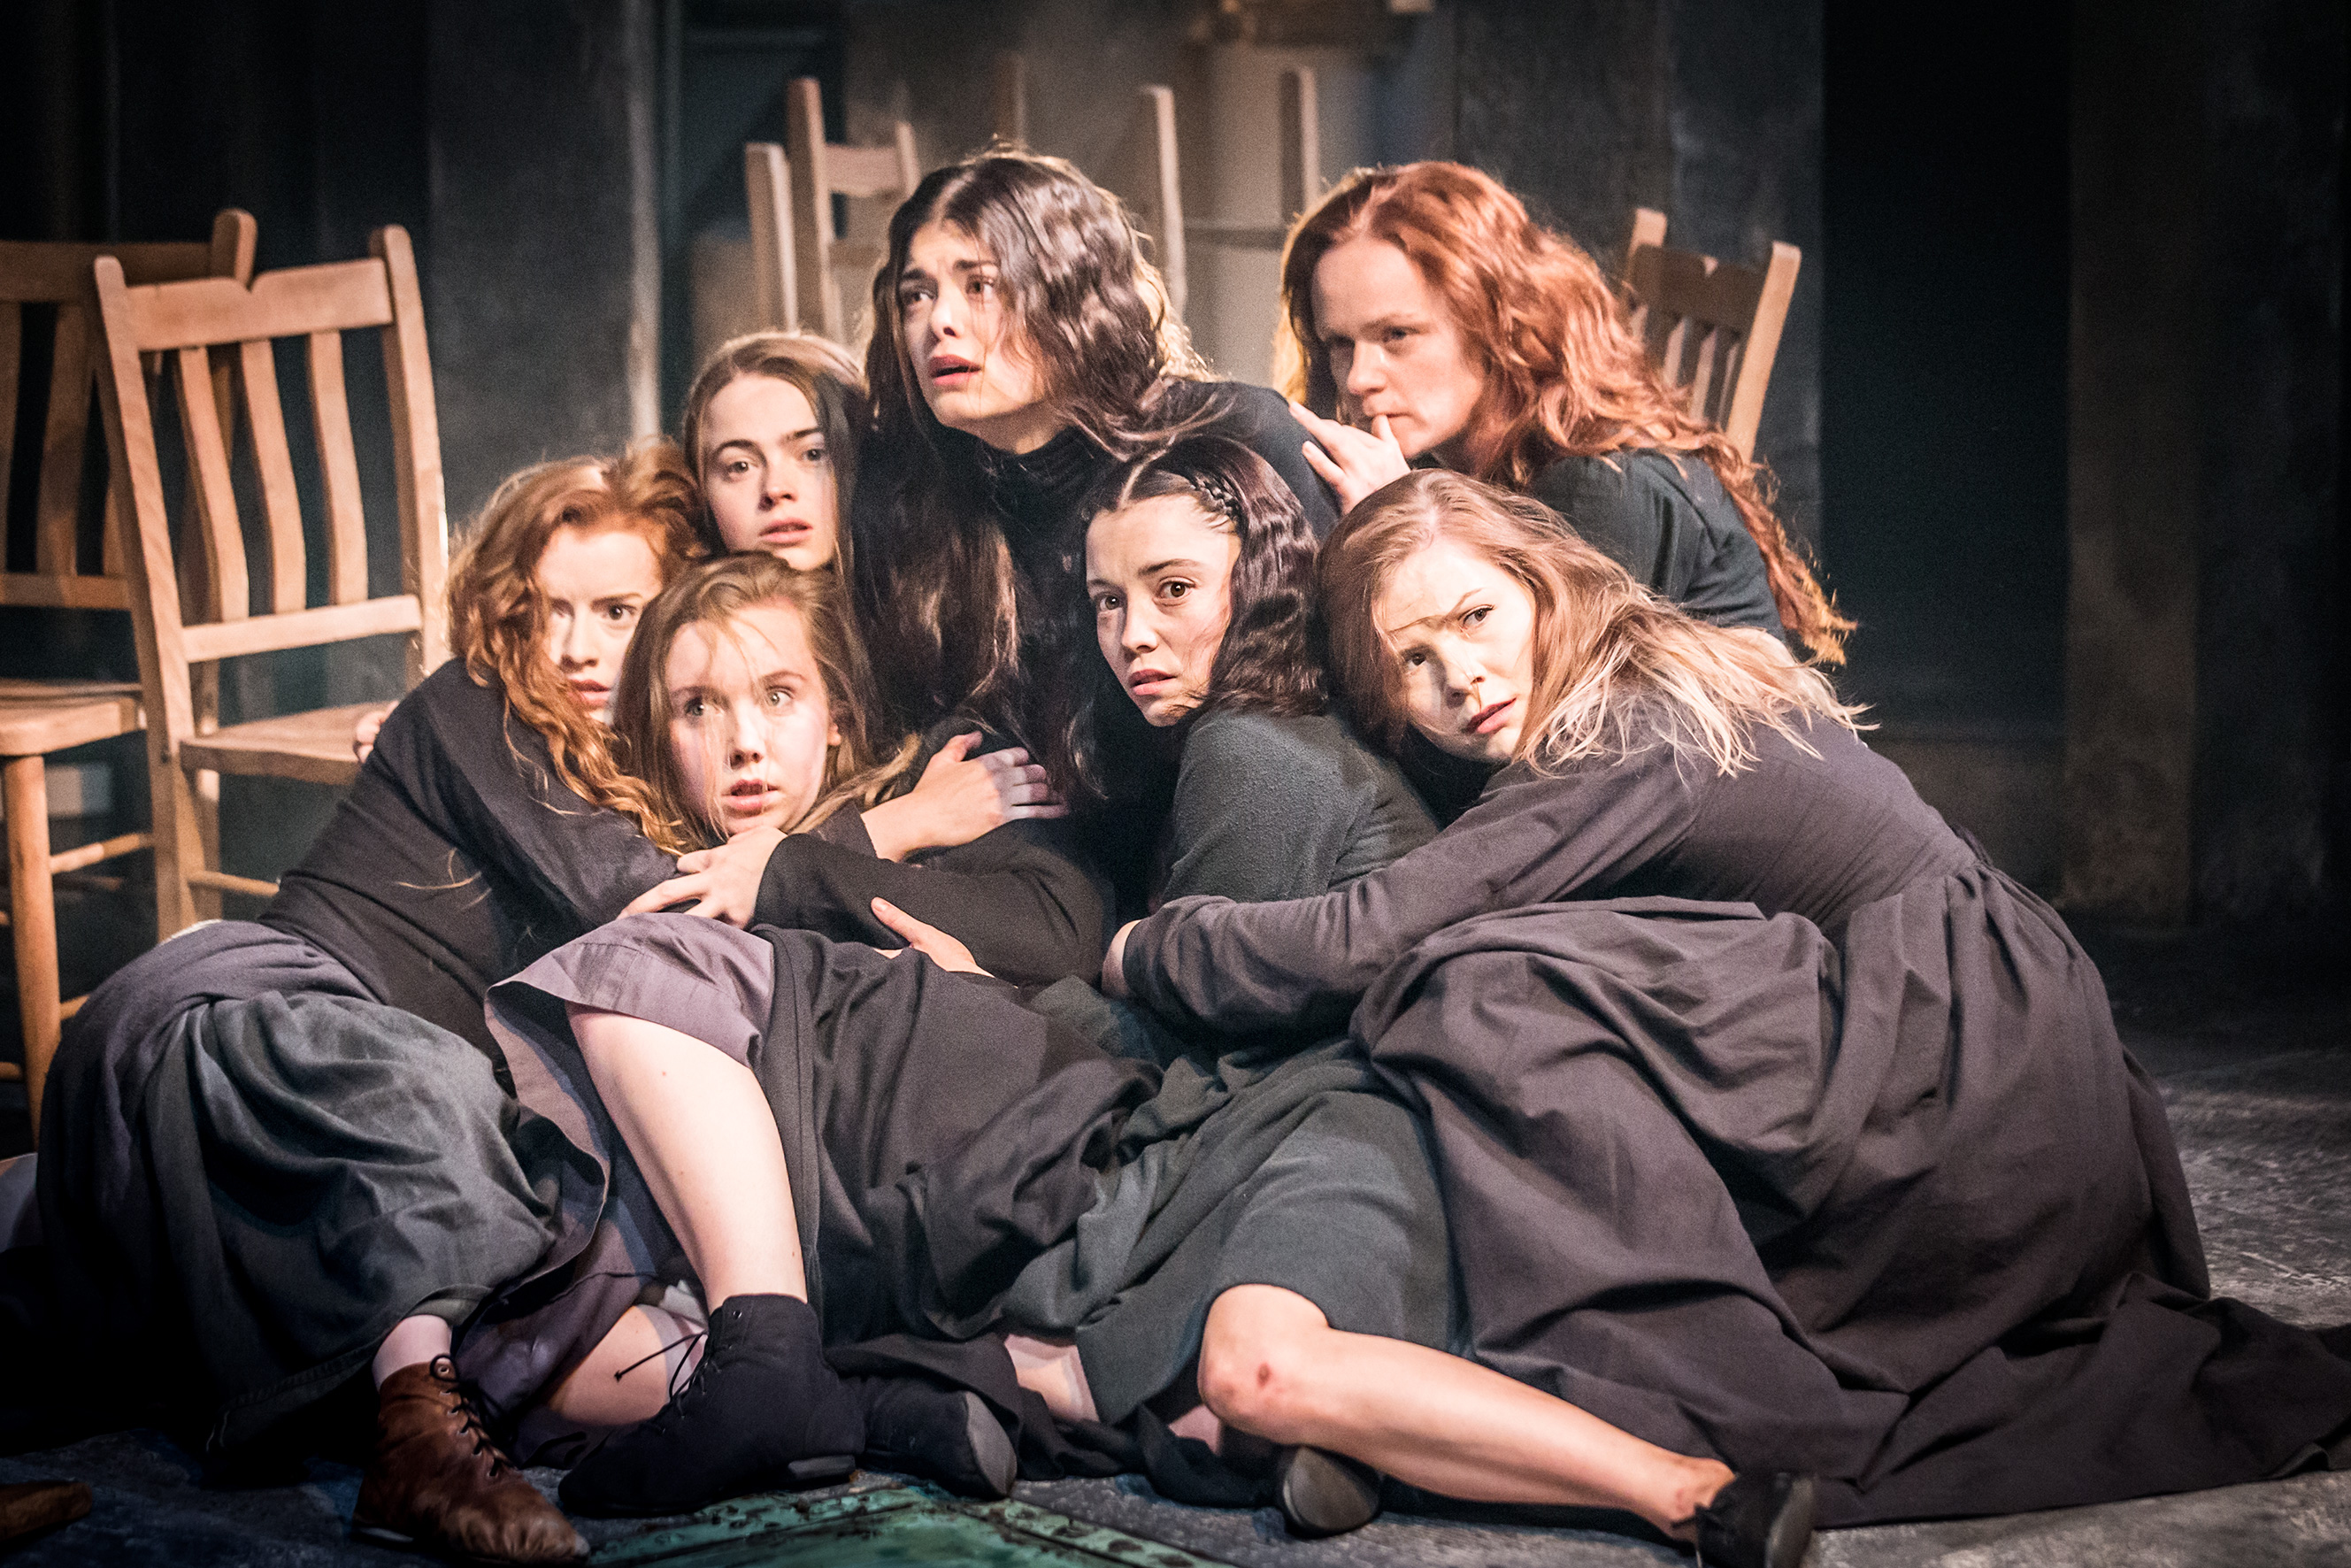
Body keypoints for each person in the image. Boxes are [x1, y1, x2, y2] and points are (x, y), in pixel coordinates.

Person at [486, 510, 1814, 1567]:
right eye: (1107, 601)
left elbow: (1214, 984)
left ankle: (1687, 1493)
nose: (1132, 633)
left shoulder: (1256, 758)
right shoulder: (1229, 756)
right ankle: (1159, 1427)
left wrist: (1075, 958)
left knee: (1239, 1365)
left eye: (1172, 589)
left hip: (1333, 1113)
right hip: (1249, 1124)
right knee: (1104, 1360)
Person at [1104, 469, 2351, 1529]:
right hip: (1998, 1035)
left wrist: (1146, 947)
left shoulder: (1616, 736)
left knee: (1478, 987)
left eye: (1475, 617)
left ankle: (1626, 1392)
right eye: (1413, 663)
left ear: (1543, 582)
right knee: (1528, 957)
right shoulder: (1643, 671)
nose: (1461, 676)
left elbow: (1363, 934)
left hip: (1967, 1087)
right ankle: (1435, 1403)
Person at [35, 448, 1079, 1567]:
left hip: (400, 1110)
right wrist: (887, 828)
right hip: (253, 1009)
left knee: (555, 1278)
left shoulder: (641, 752)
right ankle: (422, 1439)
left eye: (618, 611)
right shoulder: (480, 704)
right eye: (549, 610)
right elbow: (653, 912)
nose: (576, 646)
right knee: (427, 1094)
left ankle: (851, 1395)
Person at [849, 149, 1338, 856]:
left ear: (1067, 291)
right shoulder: (917, 502)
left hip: (1274, 850)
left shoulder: (1239, 437)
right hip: (1053, 885)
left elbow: (1348, 697)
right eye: (915, 296)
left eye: (980, 285)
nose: (939, 322)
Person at [1275, 161, 1849, 666]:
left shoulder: (1604, 488)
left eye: (1397, 335)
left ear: (1497, 322)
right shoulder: (1446, 458)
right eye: (1340, 343)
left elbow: (1515, 713)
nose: (1358, 378)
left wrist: (1397, 521)